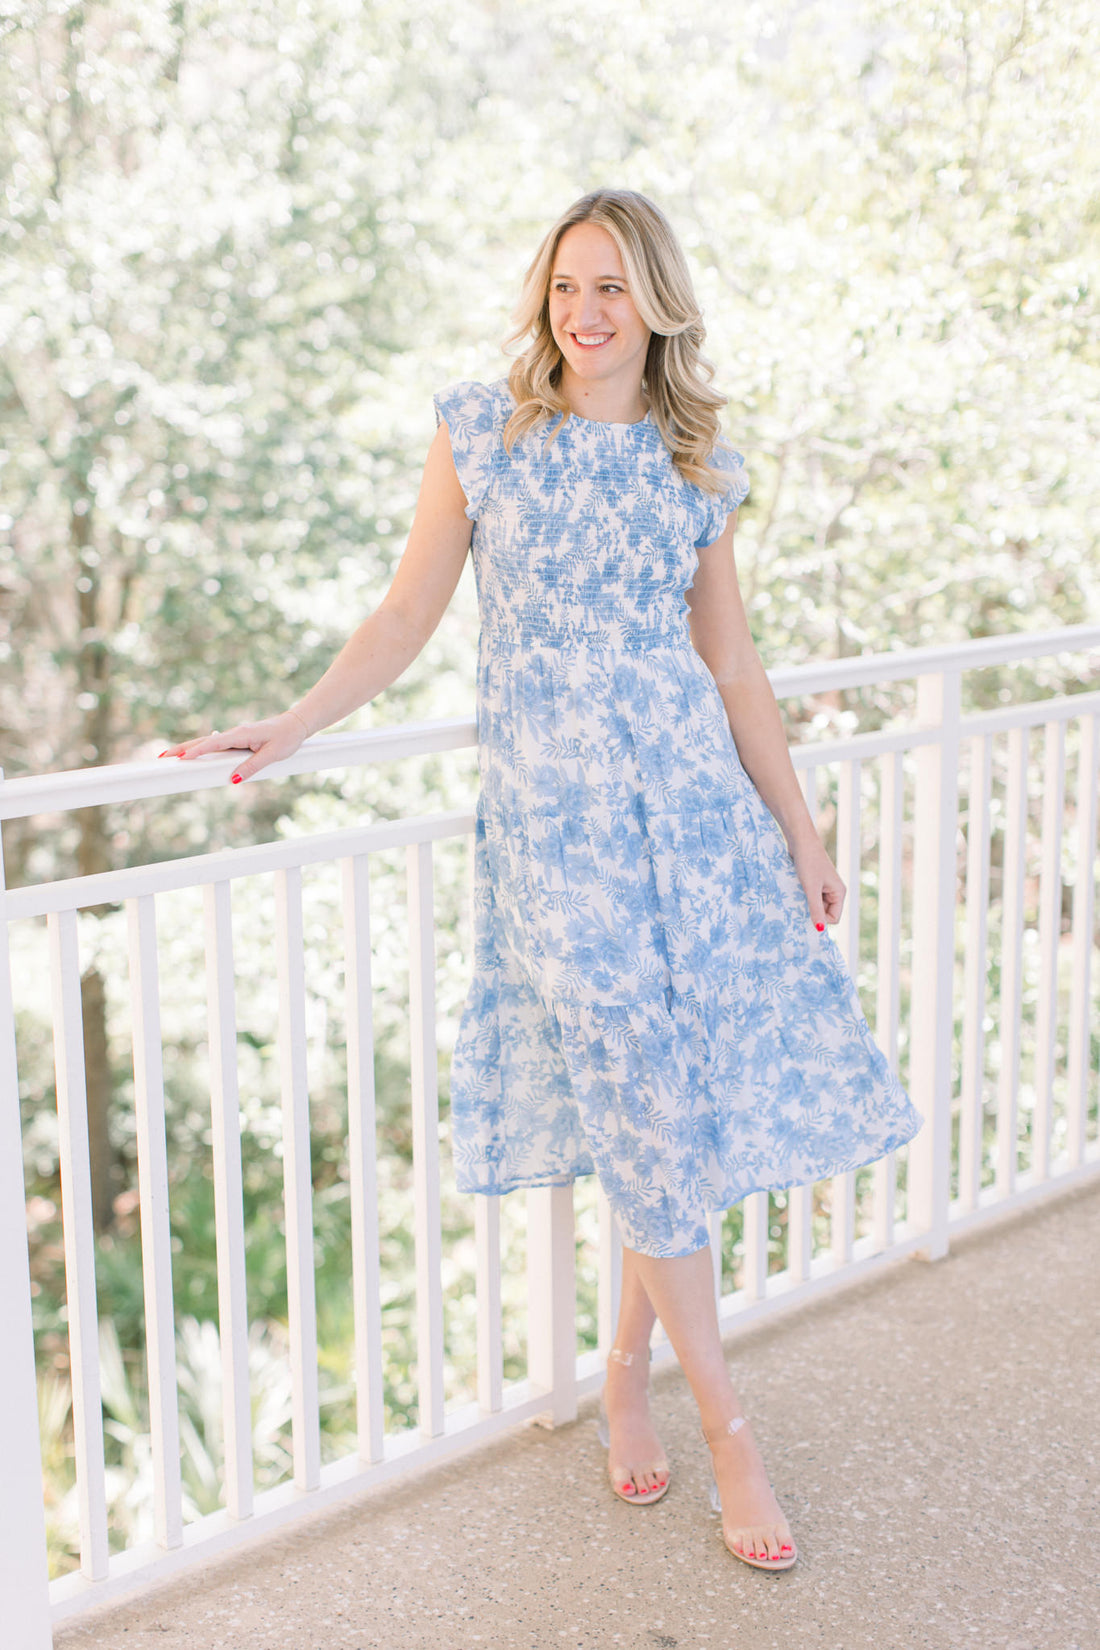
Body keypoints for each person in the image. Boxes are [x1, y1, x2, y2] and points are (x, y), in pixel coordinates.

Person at [164, 188, 923, 1573]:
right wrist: (289, 723)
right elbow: (407, 611)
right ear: (545, 299)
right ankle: (727, 1420)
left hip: (687, 811)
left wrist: (801, 835)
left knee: (662, 1087)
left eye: (613, 289)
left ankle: (629, 1361)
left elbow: (734, 670)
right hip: (554, 819)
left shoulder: (697, 470)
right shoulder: (485, 435)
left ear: (658, 308)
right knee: (630, 1058)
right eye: (568, 285)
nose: (584, 311)